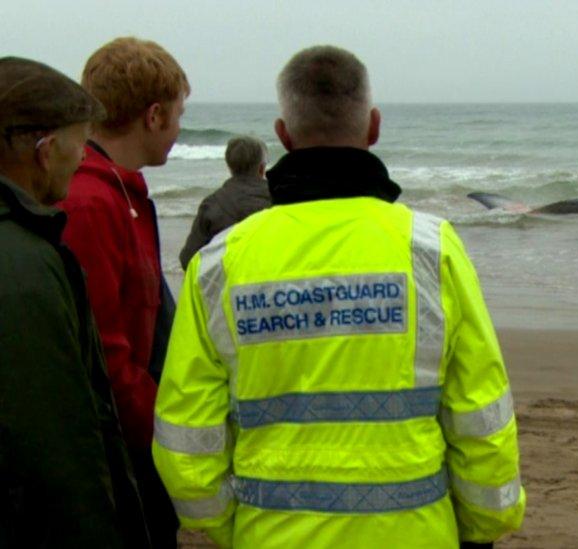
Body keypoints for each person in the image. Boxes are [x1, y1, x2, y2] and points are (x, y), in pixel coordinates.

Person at [153, 45, 526, 548]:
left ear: (282, 136)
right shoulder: (430, 250)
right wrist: (483, 525)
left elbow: (187, 437)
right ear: (373, 127)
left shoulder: (219, 265)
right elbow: (480, 414)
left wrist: (228, 525)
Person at [0, 57, 151, 547]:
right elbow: (59, 440)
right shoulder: (23, 264)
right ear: (45, 150)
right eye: (79, 144)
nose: (84, 159)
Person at [58, 36, 188, 548]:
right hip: (121, 449)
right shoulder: (91, 202)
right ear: (154, 116)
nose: (179, 129)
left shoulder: (122, 190)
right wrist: (169, 438)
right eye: (179, 114)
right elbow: (105, 351)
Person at [179, 135, 271, 269]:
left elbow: (187, 259)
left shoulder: (212, 204)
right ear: (262, 168)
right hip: (276, 283)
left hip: (228, 284)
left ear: (229, 166)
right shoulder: (281, 199)